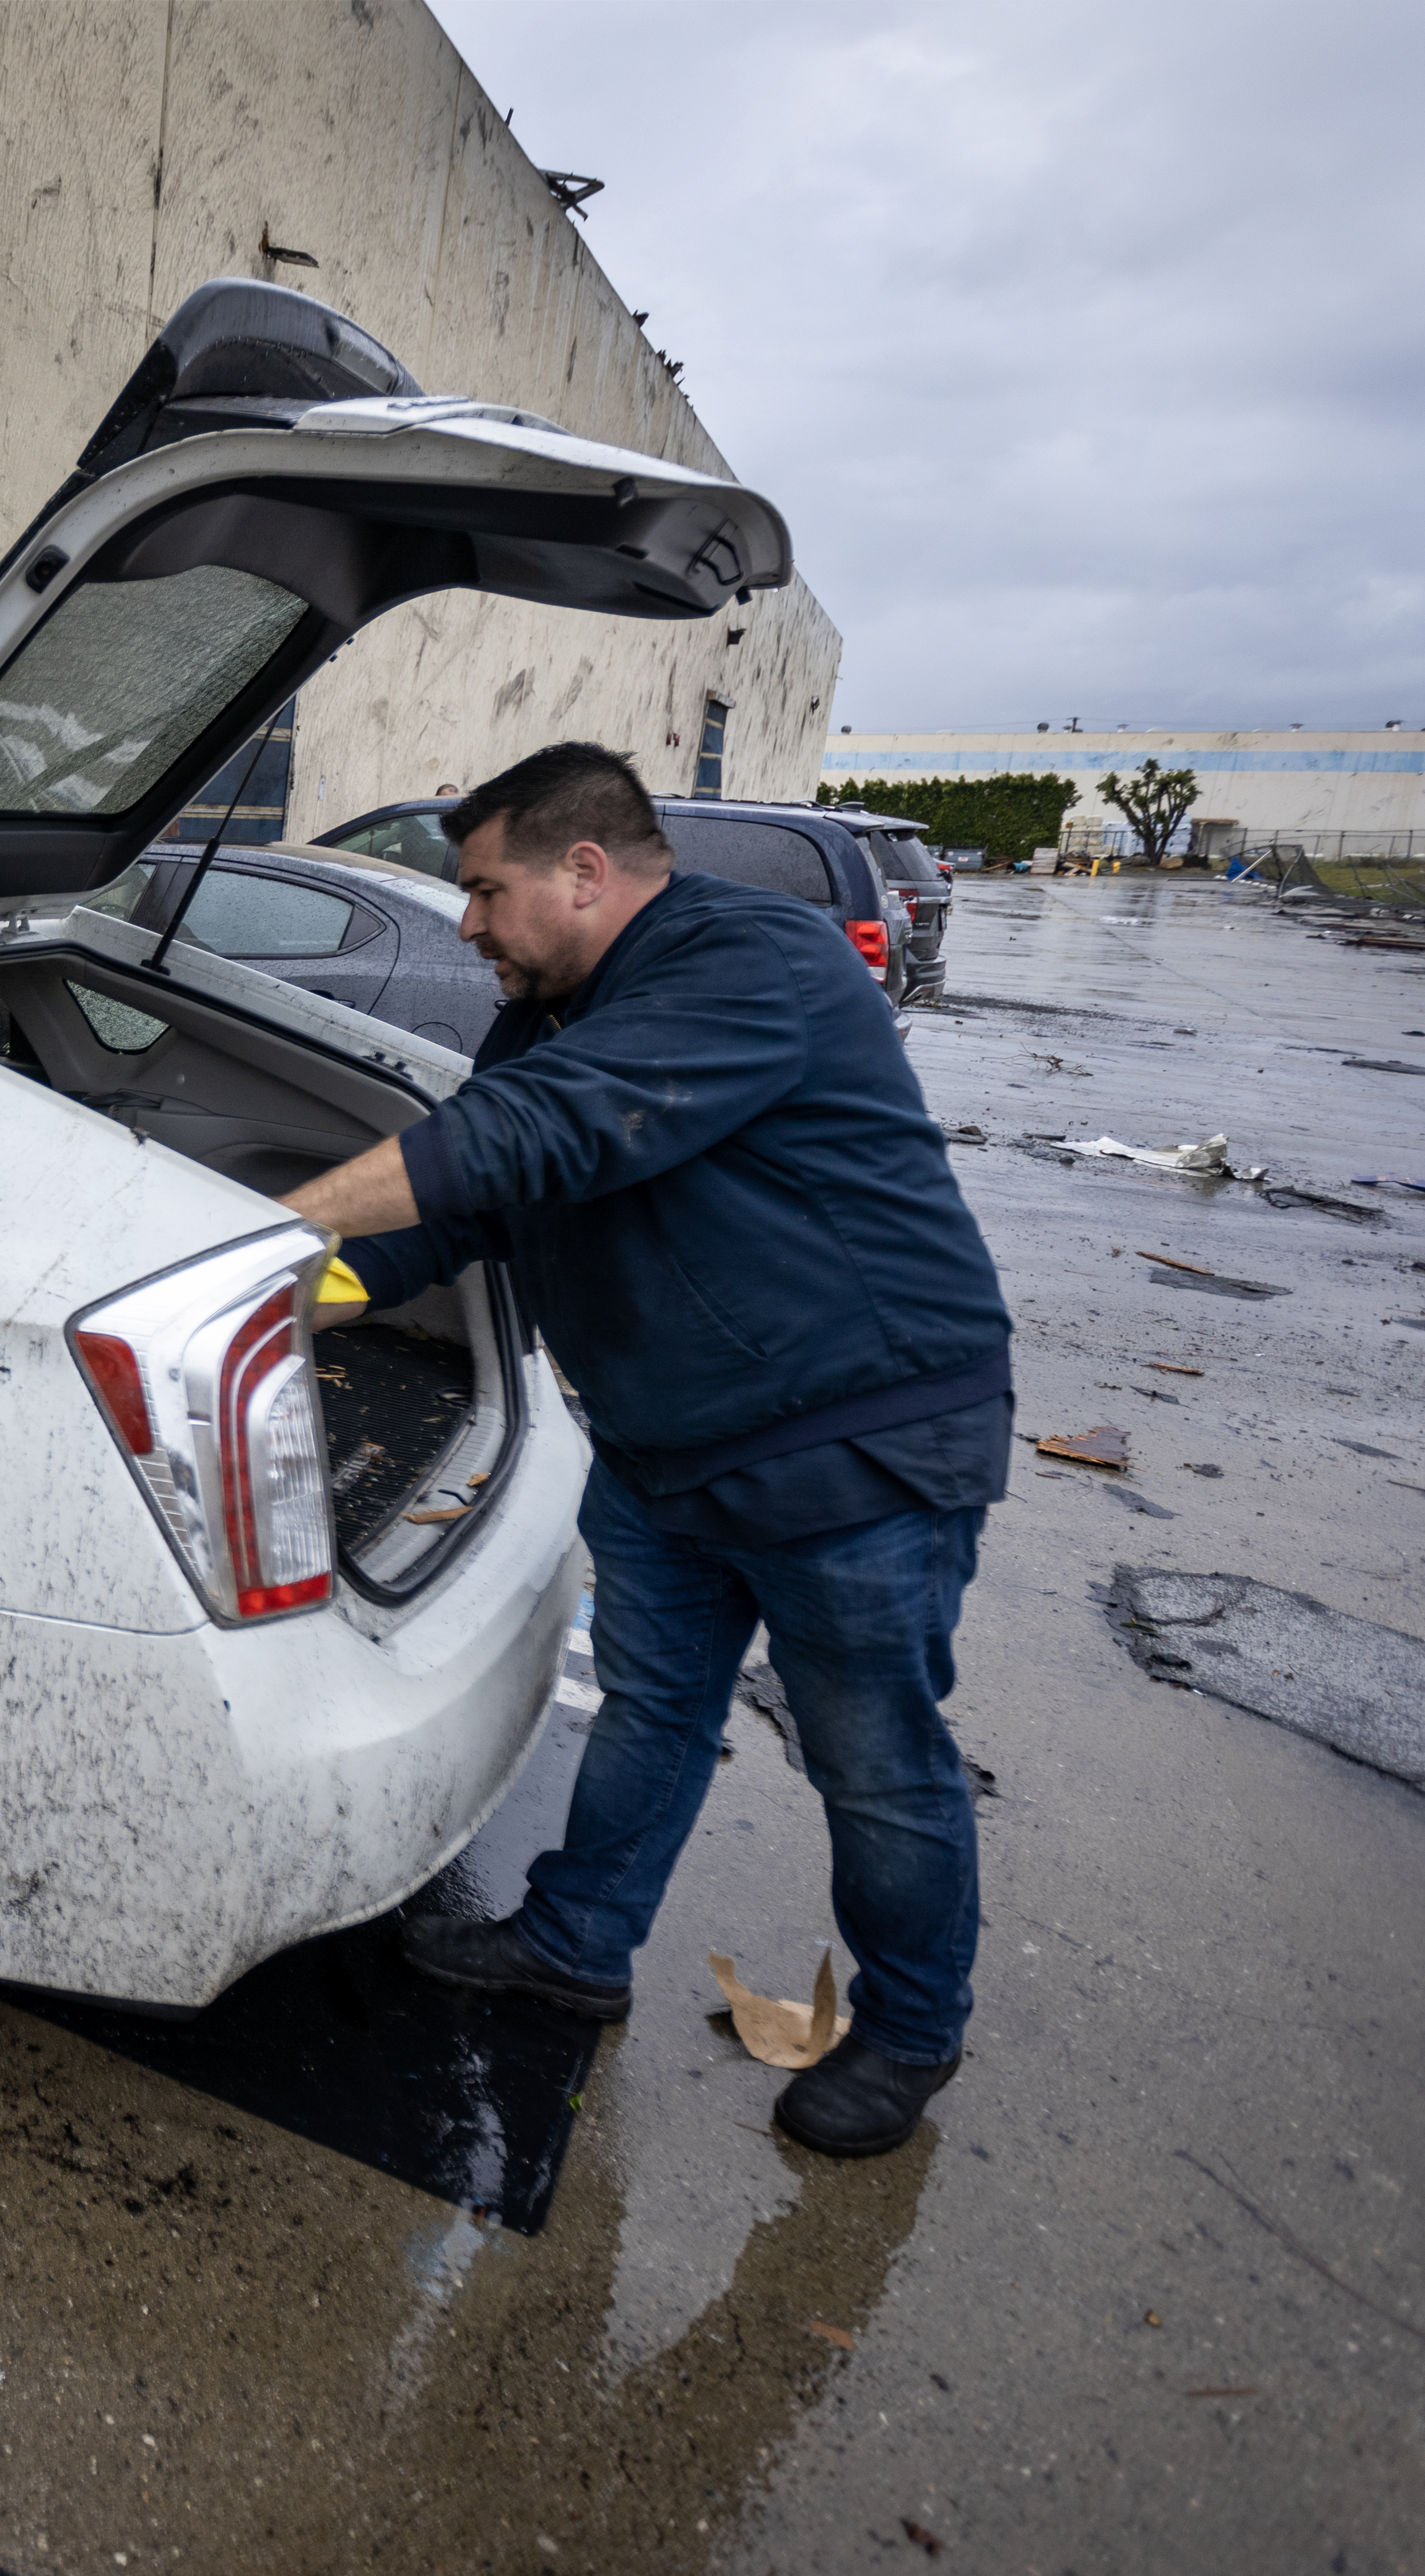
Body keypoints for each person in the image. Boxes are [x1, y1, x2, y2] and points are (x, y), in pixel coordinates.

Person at [282, 742, 1012, 2157]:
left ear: (585, 870)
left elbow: (532, 1133)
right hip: (674, 1446)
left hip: (856, 1447)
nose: (471, 922)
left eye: (486, 890)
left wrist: (277, 1226)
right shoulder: (554, 1009)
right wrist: (286, 1294)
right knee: (651, 1708)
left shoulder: (759, 962)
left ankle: (915, 2026)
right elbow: (472, 1204)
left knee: (873, 1760)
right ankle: (578, 1939)